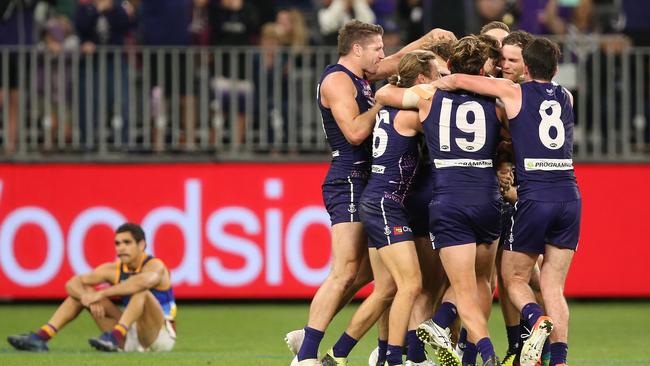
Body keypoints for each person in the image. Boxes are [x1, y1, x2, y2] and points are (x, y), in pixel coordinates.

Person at [286, 20, 455, 366]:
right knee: (346, 269)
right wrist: (383, 103)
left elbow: (401, 64)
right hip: (348, 177)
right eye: (377, 48)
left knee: (377, 277)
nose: (382, 54)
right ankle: (306, 354)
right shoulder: (337, 80)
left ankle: (337, 340)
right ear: (357, 49)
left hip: (370, 181)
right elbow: (354, 133)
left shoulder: (361, 78)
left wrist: (427, 40)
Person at [433, 37, 581, 366]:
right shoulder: (567, 97)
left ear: (526, 67)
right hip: (569, 195)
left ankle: (535, 319)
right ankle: (559, 359)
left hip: (535, 194)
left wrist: (440, 77)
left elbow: (458, 80)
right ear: (556, 69)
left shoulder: (513, 91)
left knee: (513, 278)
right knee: (553, 285)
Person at [376, 35, 505, 366]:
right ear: (485, 67)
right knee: (482, 283)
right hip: (487, 197)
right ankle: (470, 353)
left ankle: (484, 352)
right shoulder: (499, 101)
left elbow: (384, 93)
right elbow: (511, 140)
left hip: (448, 198)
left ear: (450, 66)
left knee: (459, 289)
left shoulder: (428, 99)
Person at [320, 49, 439, 366]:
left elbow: (389, 91)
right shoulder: (410, 114)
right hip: (387, 204)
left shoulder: (388, 106)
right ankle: (396, 359)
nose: (440, 81)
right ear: (422, 80)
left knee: (386, 288)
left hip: (377, 201)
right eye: (437, 76)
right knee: (411, 284)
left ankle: (338, 354)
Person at [7, 223, 177, 353]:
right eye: (117, 243)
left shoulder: (156, 266)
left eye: (127, 242)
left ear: (141, 245)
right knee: (84, 291)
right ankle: (41, 337)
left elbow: (142, 283)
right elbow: (72, 283)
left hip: (157, 337)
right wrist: (86, 299)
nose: (121, 247)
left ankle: (114, 338)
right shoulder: (113, 269)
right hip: (128, 332)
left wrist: (101, 294)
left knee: (142, 294)